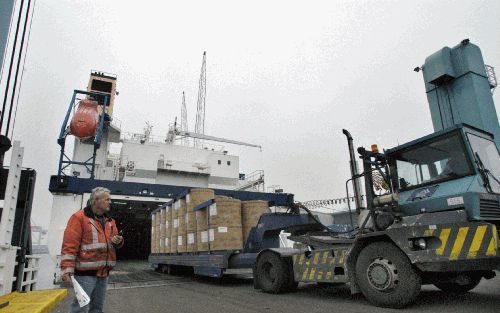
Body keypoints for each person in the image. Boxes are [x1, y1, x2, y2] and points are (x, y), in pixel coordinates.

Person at [60, 187, 124, 313]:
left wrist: (118, 241)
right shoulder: (79, 218)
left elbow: (115, 243)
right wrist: (67, 268)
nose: (110, 202)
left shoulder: (111, 221)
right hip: (85, 274)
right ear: (96, 201)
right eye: (107, 199)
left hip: (103, 274)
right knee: (80, 308)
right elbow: (69, 245)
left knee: (97, 309)